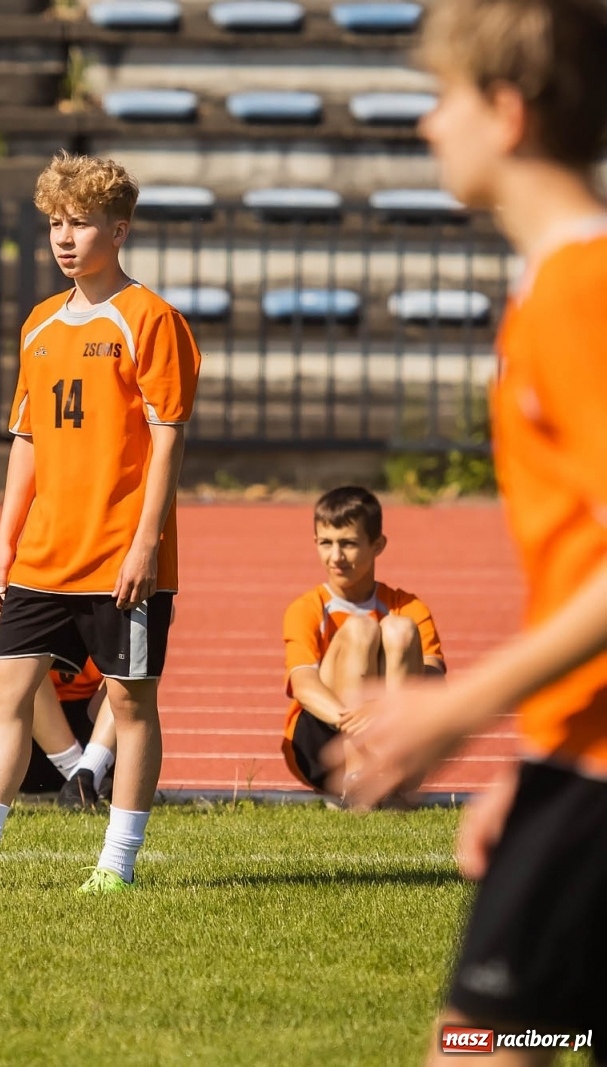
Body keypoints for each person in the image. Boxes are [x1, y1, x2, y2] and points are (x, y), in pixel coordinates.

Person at [337, 0, 607, 1057]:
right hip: (581, 764)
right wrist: (536, 762)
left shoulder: (580, 294)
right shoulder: (555, 286)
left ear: (504, 113)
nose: (425, 126)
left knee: (485, 1042)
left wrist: (459, 713)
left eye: (440, 98)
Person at [0, 151, 200, 892]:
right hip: (43, 553)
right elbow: (25, 442)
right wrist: (4, 539)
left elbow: (168, 441)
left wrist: (144, 545)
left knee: (130, 703)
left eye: (82, 223)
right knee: (2, 691)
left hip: (118, 554)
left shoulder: (151, 319)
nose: (65, 238)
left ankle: (116, 863)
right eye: (56, 224)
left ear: (119, 228)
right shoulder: (39, 324)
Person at [280, 486, 445, 796]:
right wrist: (358, 719)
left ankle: (393, 772)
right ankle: (356, 774)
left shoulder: (407, 606)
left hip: (393, 731)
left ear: (377, 545)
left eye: (349, 544)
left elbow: (436, 682)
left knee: (399, 630)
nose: (336, 557)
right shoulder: (306, 608)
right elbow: (303, 685)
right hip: (322, 742)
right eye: (326, 543)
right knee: (361, 630)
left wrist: (384, 709)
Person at [0, 593, 117, 809]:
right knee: (2, 643)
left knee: (145, 635)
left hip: (98, 731)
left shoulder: (115, 560)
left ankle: (89, 770)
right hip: (27, 737)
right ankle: (77, 774)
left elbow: (162, 612)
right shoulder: (24, 559)